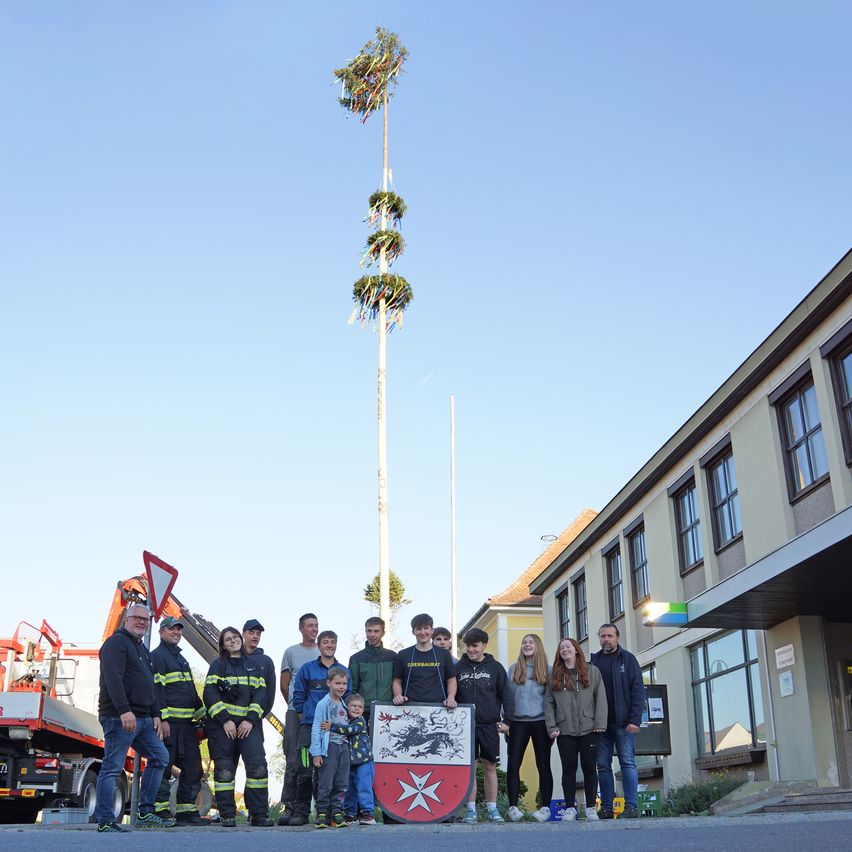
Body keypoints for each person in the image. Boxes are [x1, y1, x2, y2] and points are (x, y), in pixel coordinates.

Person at [95, 603, 172, 832]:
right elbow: (113, 678)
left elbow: (151, 684)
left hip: (144, 719)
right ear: (126, 619)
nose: (141, 622)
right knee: (112, 767)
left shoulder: (142, 649)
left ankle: (145, 812)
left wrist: (156, 714)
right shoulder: (115, 643)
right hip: (120, 717)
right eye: (136, 617)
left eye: (145, 619)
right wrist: (123, 710)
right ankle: (105, 821)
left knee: (160, 757)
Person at [203, 627, 273, 827]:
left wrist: (250, 720)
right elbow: (209, 694)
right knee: (224, 771)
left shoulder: (254, 666)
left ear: (240, 639)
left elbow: (261, 695)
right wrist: (225, 720)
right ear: (223, 645)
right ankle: (227, 815)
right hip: (223, 727)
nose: (233, 641)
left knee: (258, 768)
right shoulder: (217, 666)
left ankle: (259, 815)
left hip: (248, 726)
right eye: (228, 639)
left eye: (235, 637)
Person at [455, 628, 515, 825]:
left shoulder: (495, 668)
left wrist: (507, 721)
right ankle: (471, 810)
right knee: (470, 768)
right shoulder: (458, 668)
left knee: (489, 766)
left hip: (489, 725)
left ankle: (492, 809)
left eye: (475, 645)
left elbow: (506, 695)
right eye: (468, 646)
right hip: (465, 726)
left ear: (484, 645)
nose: (471, 650)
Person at [151, 615, 207, 826]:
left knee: (194, 769)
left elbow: (191, 692)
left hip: (187, 728)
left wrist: (205, 717)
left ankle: (186, 811)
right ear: (161, 632)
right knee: (163, 768)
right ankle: (160, 812)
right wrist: (163, 718)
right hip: (169, 726)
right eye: (171, 629)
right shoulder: (157, 656)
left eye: (179, 629)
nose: (176, 632)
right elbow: (157, 690)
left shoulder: (181, 659)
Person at [291, 630, 350, 825]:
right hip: (309, 726)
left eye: (332, 642)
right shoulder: (307, 669)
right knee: (304, 769)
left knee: (328, 773)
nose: (329, 645)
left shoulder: (343, 670)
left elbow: (348, 698)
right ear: (319, 645)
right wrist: (304, 715)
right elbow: (298, 694)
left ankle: (328, 813)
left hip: (334, 731)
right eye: (325, 642)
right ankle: (300, 812)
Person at [545, 637, 607, 822]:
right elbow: (548, 702)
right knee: (568, 770)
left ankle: (590, 807)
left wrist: (600, 723)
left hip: (590, 729)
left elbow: (600, 697)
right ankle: (570, 808)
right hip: (565, 730)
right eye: (562, 648)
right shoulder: (554, 674)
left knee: (590, 768)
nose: (565, 650)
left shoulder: (592, 671)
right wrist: (552, 726)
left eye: (568, 646)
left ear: (576, 649)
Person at [590, 623, 645, 820]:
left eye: (610, 636)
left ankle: (631, 807)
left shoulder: (628, 659)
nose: (606, 639)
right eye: (603, 636)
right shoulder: (594, 661)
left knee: (627, 763)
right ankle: (606, 807)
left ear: (617, 637)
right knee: (603, 766)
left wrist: (635, 720)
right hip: (600, 725)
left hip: (624, 723)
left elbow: (638, 690)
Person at [505, 634, 553, 823]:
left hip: (541, 722)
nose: (527, 645)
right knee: (513, 764)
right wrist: (506, 721)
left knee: (543, 764)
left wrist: (553, 725)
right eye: (524, 642)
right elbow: (507, 697)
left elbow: (552, 699)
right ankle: (513, 807)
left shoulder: (548, 670)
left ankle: (545, 807)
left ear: (538, 646)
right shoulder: (514, 669)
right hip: (517, 722)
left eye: (531, 642)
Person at [278, 612, 319, 825]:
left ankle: (321, 809)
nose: (314, 629)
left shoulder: (323, 651)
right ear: (301, 628)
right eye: (310, 625)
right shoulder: (291, 652)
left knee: (318, 761)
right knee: (294, 760)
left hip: (319, 715)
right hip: (296, 713)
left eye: (316, 625)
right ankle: (289, 808)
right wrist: (297, 706)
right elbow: (284, 685)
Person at [310, 666, 351, 828]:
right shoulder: (323, 704)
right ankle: (322, 814)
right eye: (337, 683)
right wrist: (316, 752)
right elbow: (316, 728)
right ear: (329, 683)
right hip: (329, 747)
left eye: (344, 683)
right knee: (326, 782)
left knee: (342, 782)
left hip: (344, 747)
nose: (341, 687)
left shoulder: (345, 704)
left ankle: (337, 813)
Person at [392, 614, 457, 707]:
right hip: (409, 707)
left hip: (439, 706)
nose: (422, 632)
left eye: (426, 628)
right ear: (413, 632)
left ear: (432, 630)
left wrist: (451, 697)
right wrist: (398, 696)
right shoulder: (403, 654)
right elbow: (397, 681)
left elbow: (451, 680)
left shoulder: (444, 654)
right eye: (418, 629)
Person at [334, 693, 376, 825]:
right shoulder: (345, 721)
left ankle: (367, 812)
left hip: (364, 760)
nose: (357, 709)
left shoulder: (360, 721)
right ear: (346, 707)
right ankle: (350, 813)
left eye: (360, 707)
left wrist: (333, 727)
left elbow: (350, 730)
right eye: (353, 706)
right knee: (349, 788)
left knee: (364, 785)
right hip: (350, 762)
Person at [348, 616, 396, 722]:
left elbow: (397, 682)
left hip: (388, 711)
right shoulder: (356, 658)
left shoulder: (393, 656)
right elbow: (352, 688)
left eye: (376, 631)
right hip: (364, 712)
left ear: (383, 633)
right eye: (369, 631)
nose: (372, 635)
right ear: (365, 632)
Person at [242, 618, 276, 720]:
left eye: (258, 634)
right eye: (251, 632)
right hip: (230, 720)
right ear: (243, 634)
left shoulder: (266, 662)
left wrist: (257, 717)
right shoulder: (233, 658)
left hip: (254, 720)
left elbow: (270, 693)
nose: (255, 636)